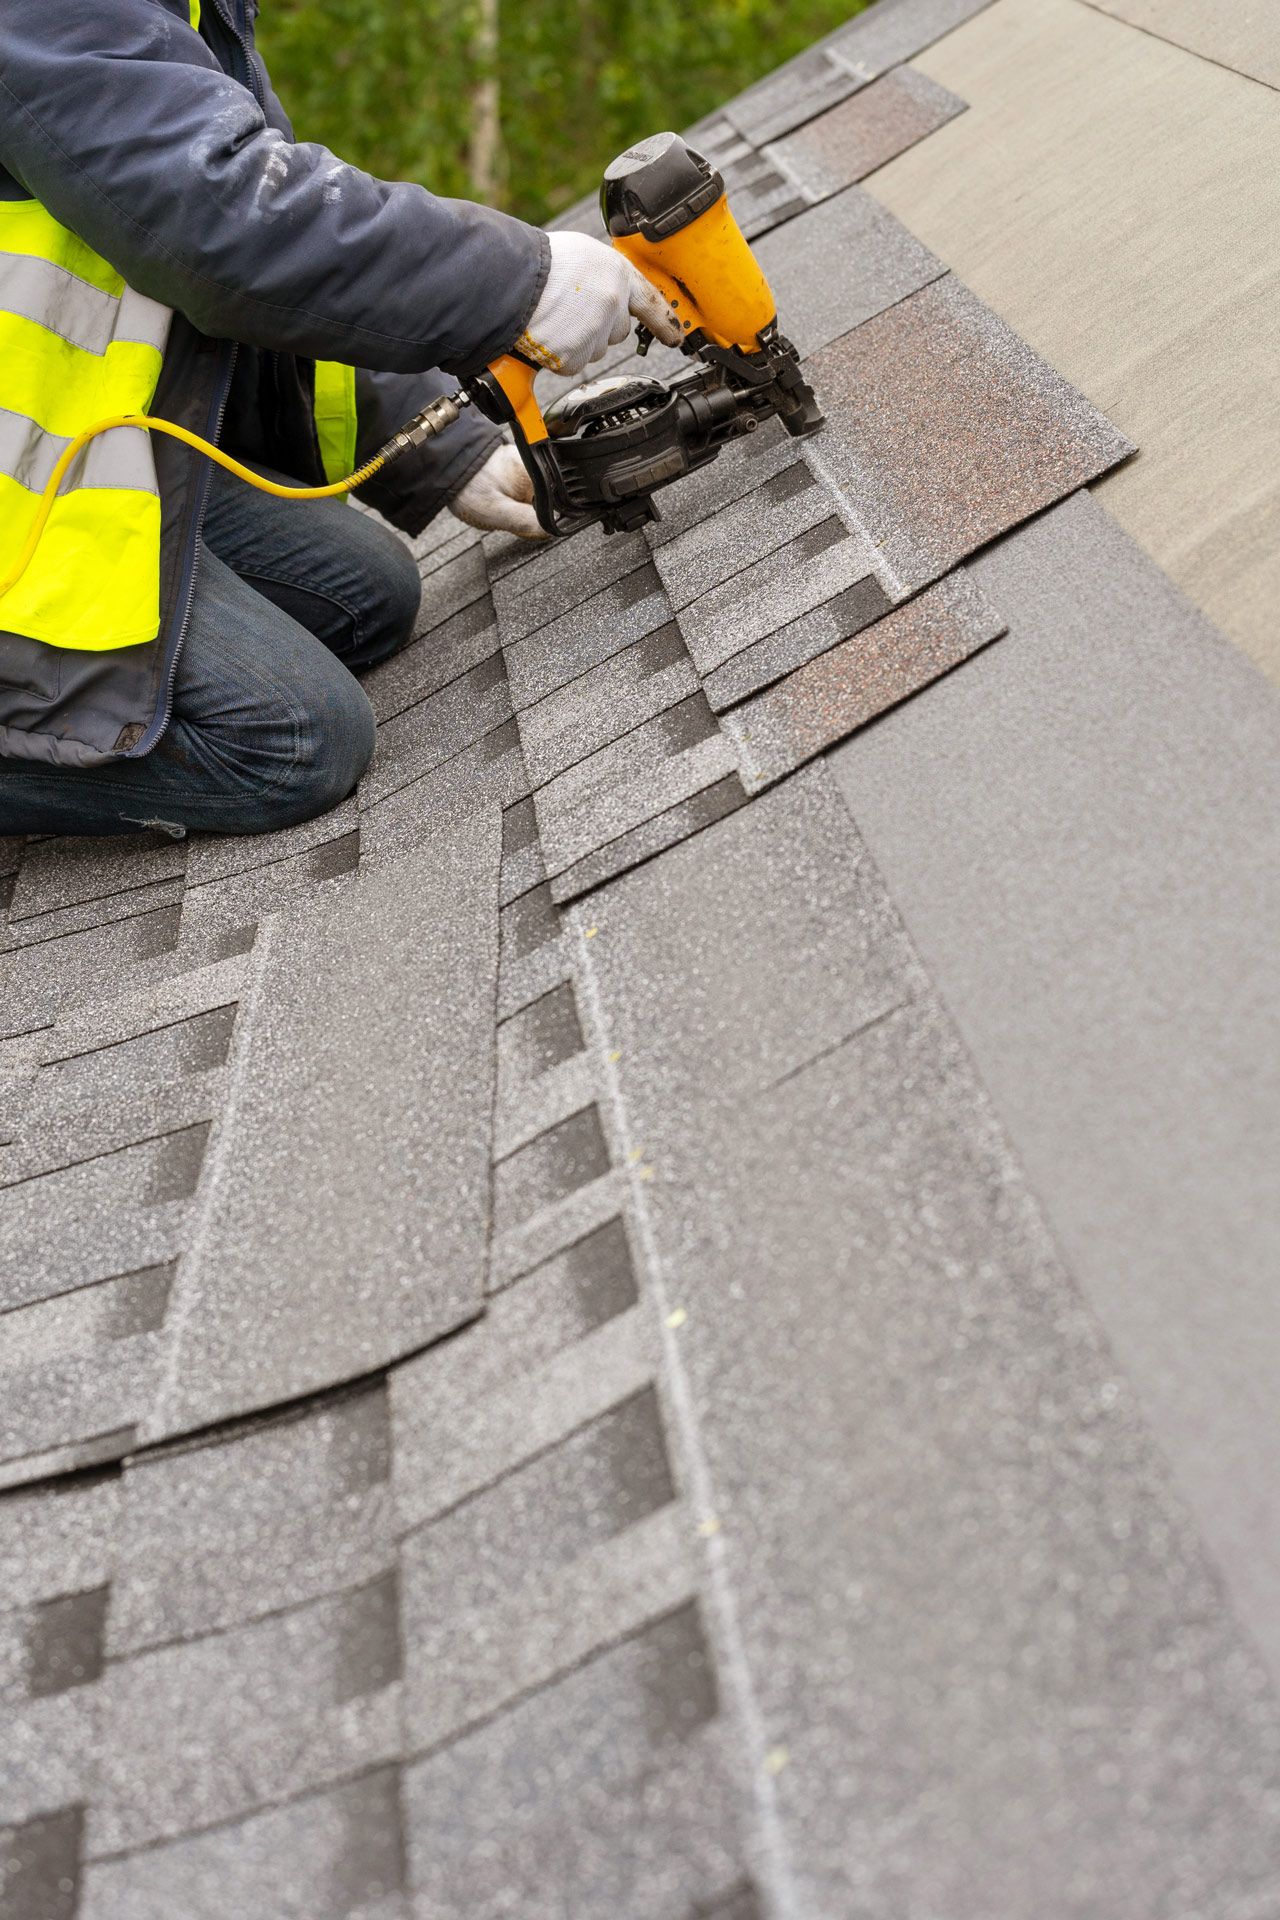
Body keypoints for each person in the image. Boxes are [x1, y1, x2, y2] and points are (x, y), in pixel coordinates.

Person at [0, 0, 679, 837]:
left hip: (47, 463)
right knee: (291, 742)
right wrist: (516, 283)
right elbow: (219, 221)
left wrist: (443, 441)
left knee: (367, 596)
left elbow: (261, 276)